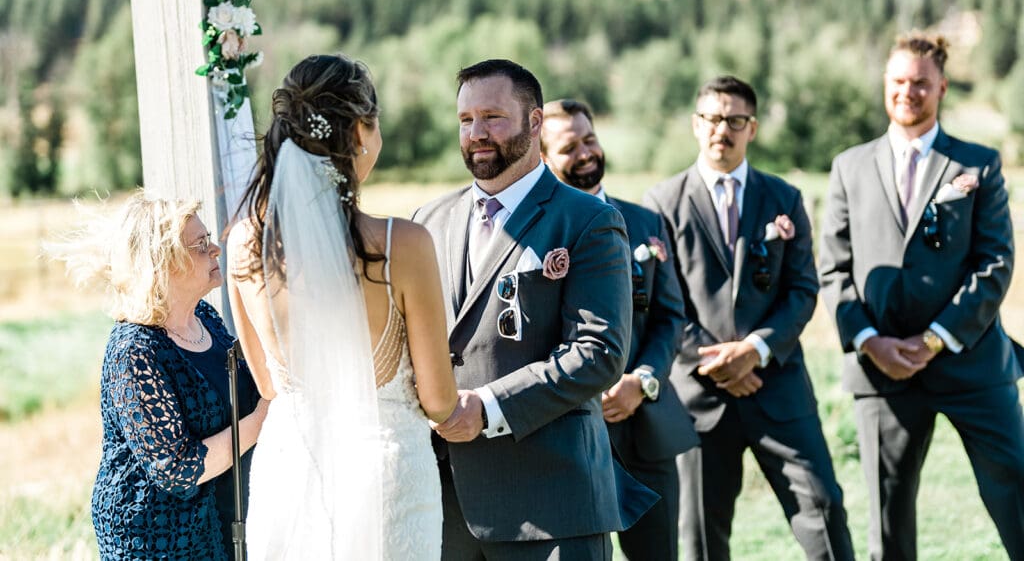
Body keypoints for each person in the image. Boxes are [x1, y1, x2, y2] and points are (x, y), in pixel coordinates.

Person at [413, 59, 648, 560]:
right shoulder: (427, 221)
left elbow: (598, 352)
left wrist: (489, 408)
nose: (477, 133)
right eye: (465, 120)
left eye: (493, 117)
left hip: (550, 509)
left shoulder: (588, 221)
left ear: (535, 122)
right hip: (442, 508)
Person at [227, 54, 458, 560]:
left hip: (292, 465)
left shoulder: (244, 243)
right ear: (360, 130)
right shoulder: (403, 245)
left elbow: (268, 385)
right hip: (385, 472)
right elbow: (439, 399)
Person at [819, 33, 1024, 560]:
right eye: (898, 82)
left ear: (942, 88)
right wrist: (869, 341)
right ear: (885, 85)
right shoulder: (849, 166)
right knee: (887, 521)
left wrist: (936, 338)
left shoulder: (977, 164)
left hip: (972, 363)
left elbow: (996, 262)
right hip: (882, 368)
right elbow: (833, 268)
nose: (908, 92)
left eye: (920, 83)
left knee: (1017, 493)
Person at [644, 75, 855, 561]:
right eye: (713, 118)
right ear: (697, 125)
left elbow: (803, 288)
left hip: (776, 385)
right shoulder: (662, 202)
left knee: (823, 509)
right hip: (698, 399)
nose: (724, 129)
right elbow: (663, 300)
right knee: (700, 534)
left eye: (735, 120)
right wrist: (719, 361)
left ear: (752, 128)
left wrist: (754, 351)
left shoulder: (784, 198)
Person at [46, 190, 267, 560]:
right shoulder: (134, 352)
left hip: (218, 521)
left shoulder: (206, 319)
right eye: (200, 245)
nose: (214, 250)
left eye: (209, 240)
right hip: (157, 538)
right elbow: (179, 468)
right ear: (163, 263)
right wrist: (262, 420)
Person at [539, 97, 699, 561]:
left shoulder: (645, 221)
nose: (587, 152)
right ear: (544, 157)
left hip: (645, 428)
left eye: (591, 139)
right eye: (570, 147)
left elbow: (671, 316)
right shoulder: (538, 229)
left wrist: (643, 380)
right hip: (569, 435)